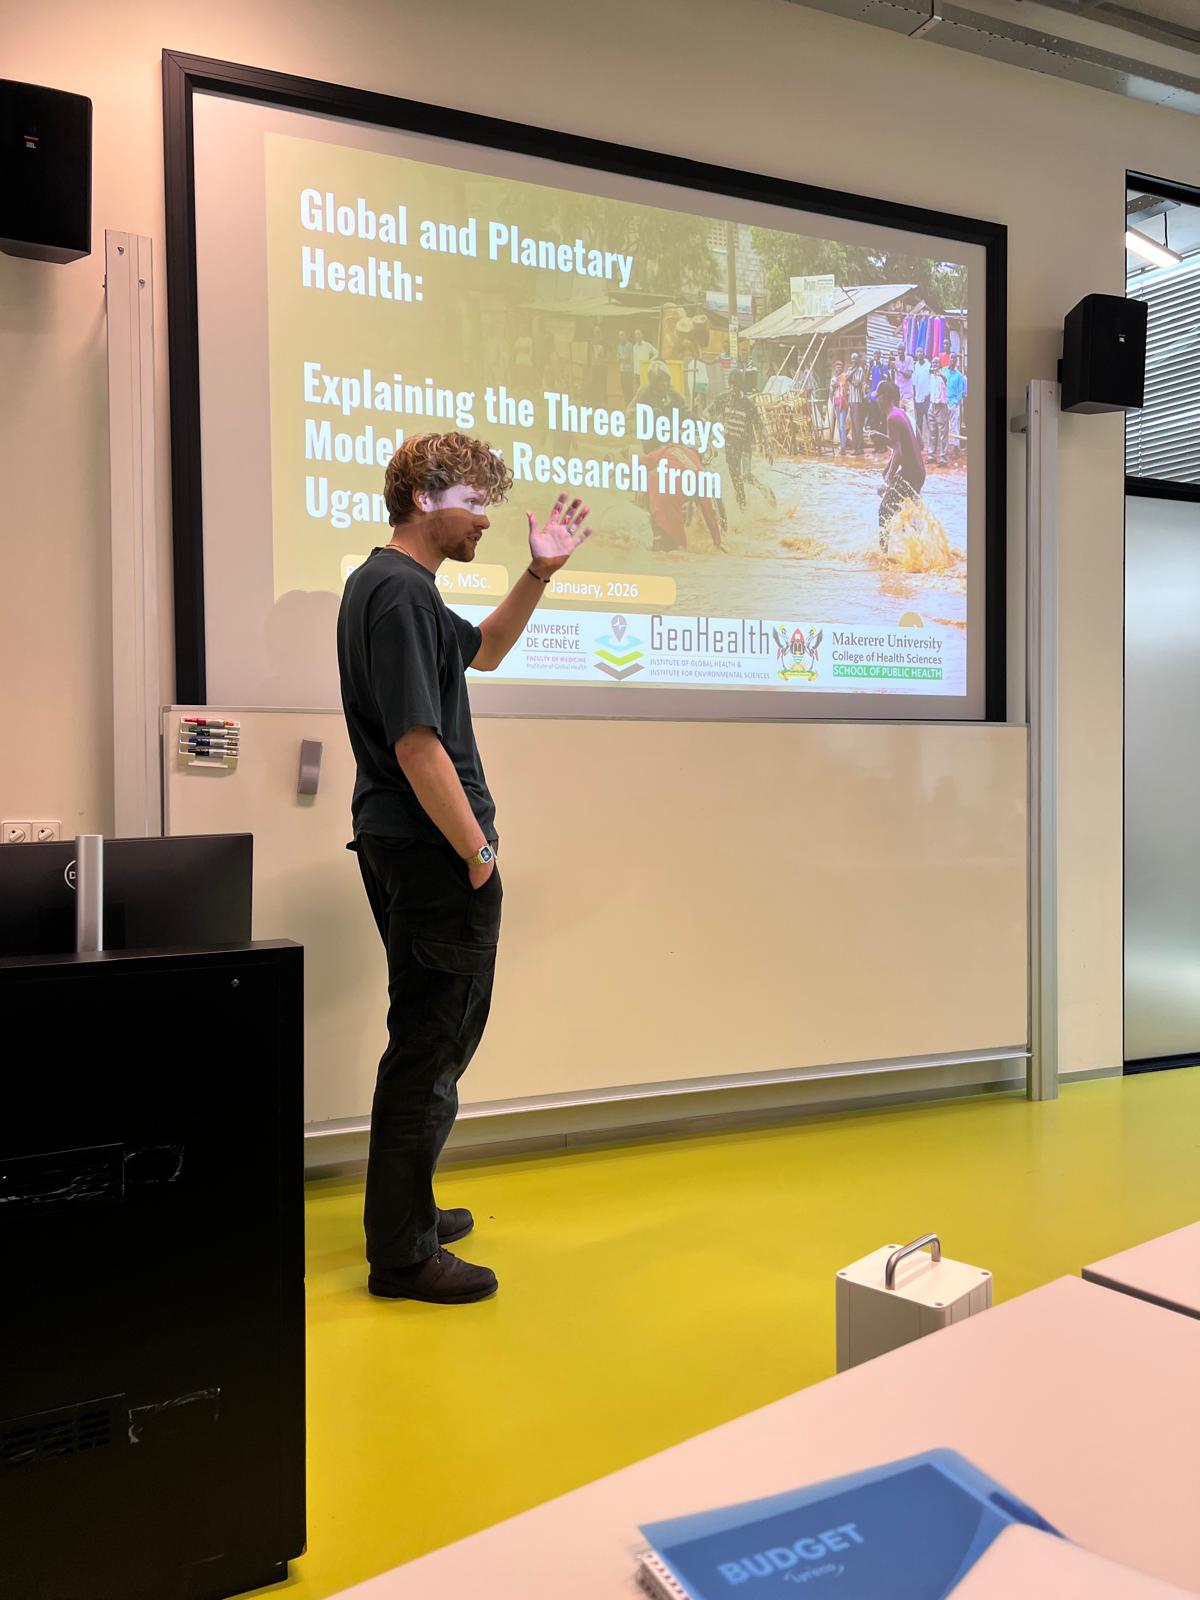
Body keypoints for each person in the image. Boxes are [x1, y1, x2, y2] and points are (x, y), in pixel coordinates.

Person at [337, 432, 593, 1305]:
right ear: (424, 500)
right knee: (429, 1048)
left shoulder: (395, 588)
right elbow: (417, 745)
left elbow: (484, 650)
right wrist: (478, 855)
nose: (488, 518)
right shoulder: (399, 594)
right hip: (434, 853)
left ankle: (408, 1208)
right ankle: (402, 1255)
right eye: (476, 502)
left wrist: (540, 573)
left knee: (432, 1041)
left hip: (409, 848)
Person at [876, 378, 926, 556]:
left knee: (884, 511)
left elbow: (898, 453)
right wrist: (888, 470)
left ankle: (884, 555)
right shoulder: (900, 413)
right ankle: (919, 552)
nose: (876, 401)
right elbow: (908, 446)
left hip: (910, 473)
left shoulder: (892, 418)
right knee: (908, 514)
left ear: (886, 397)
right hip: (917, 472)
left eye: (878, 396)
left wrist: (889, 476)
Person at [927, 357, 950, 468]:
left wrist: (939, 373)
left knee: (942, 434)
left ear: (940, 364)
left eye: (936, 362)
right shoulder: (931, 375)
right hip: (932, 405)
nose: (934, 364)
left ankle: (943, 458)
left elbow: (946, 380)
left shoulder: (944, 373)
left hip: (941, 406)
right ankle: (931, 456)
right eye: (933, 363)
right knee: (932, 432)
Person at [945, 354, 967, 462]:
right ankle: (944, 449)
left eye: (954, 359)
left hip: (953, 404)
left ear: (956, 361)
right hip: (943, 402)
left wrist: (955, 403)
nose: (952, 360)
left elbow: (961, 392)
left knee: (954, 426)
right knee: (944, 426)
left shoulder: (959, 376)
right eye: (951, 358)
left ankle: (955, 448)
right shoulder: (944, 371)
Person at [846, 352, 867, 455]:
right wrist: (849, 376)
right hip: (851, 400)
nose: (853, 360)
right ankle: (855, 447)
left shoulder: (860, 370)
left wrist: (849, 377)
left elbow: (857, 383)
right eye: (852, 359)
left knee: (858, 425)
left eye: (855, 359)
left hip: (858, 401)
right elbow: (846, 379)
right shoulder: (850, 369)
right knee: (853, 425)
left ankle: (860, 448)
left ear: (858, 360)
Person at [911, 348, 932, 450]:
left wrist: (930, 395)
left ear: (924, 354)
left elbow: (932, 381)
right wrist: (914, 398)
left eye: (921, 352)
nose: (919, 354)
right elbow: (914, 384)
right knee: (919, 423)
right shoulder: (915, 367)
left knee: (929, 423)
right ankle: (919, 445)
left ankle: (931, 445)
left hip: (927, 399)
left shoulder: (929, 365)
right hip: (918, 399)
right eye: (918, 352)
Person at [828, 358, 848, 455]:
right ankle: (842, 445)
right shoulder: (834, 377)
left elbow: (843, 388)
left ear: (842, 368)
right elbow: (831, 390)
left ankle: (843, 447)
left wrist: (836, 384)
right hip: (836, 402)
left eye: (840, 367)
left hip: (843, 403)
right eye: (837, 367)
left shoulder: (844, 376)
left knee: (841, 426)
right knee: (839, 425)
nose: (838, 368)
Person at [895, 343, 916, 435]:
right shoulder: (895, 360)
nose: (900, 352)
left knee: (911, 420)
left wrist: (898, 370)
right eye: (898, 350)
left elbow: (908, 375)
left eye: (901, 350)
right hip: (899, 395)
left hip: (908, 395)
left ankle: (914, 439)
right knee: (899, 421)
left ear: (904, 350)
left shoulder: (910, 359)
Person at [617, 327, 636, 402]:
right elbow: (618, 356)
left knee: (629, 389)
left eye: (622, 335)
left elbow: (628, 358)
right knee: (624, 388)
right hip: (622, 370)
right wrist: (619, 357)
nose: (621, 337)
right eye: (619, 335)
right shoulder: (619, 345)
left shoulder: (629, 345)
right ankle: (626, 404)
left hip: (629, 370)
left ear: (625, 336)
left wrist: (621, 358)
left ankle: (630, 404)